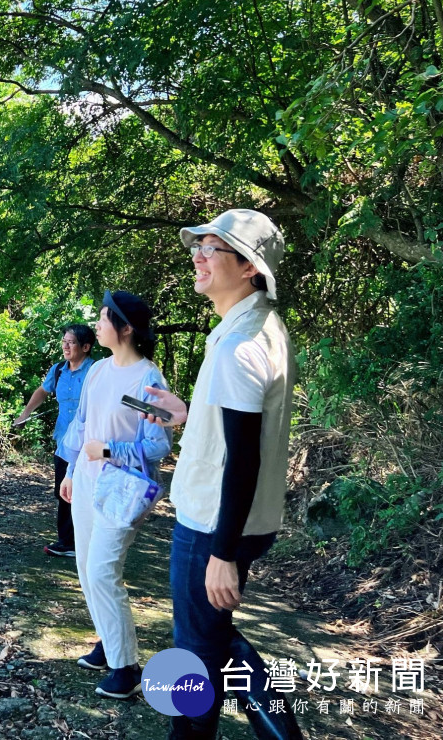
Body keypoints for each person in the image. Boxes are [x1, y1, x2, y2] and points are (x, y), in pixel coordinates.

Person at [143, 209, 303, 740]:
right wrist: (186, 412)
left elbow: (245, 458)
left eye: (213, 249)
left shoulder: (241, 345)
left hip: (213, 525)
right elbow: (241, 429)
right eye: (200, 246)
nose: (198, 256)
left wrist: (222, 554)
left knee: (196, 655)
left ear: (250, 266)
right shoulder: (254, 328)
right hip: (230, 520)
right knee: (211, 638)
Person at [58, 292, 173, 699]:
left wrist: (108, 450)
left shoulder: (147, 379)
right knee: (88, 569)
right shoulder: (98, 372)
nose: (98, 324)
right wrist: (72, 470)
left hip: (122, 489)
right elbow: (83, 425)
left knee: (105, 571)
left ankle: (127, 668)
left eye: (105, 318)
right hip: (87, 483)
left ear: (125, 328)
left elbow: (159, 445)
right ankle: (109, 643)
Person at [13, 323, 95, 557]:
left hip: (89, 443)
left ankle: (85, 542)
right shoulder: (58, 370)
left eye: (72, 342)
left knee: (87, 491)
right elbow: (42, 391)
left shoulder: (96, 371)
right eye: (64, 342)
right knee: (65, 491)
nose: (66, 346)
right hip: (64, 442)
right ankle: (68, 542)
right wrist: (25, 413)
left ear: (86, 347)